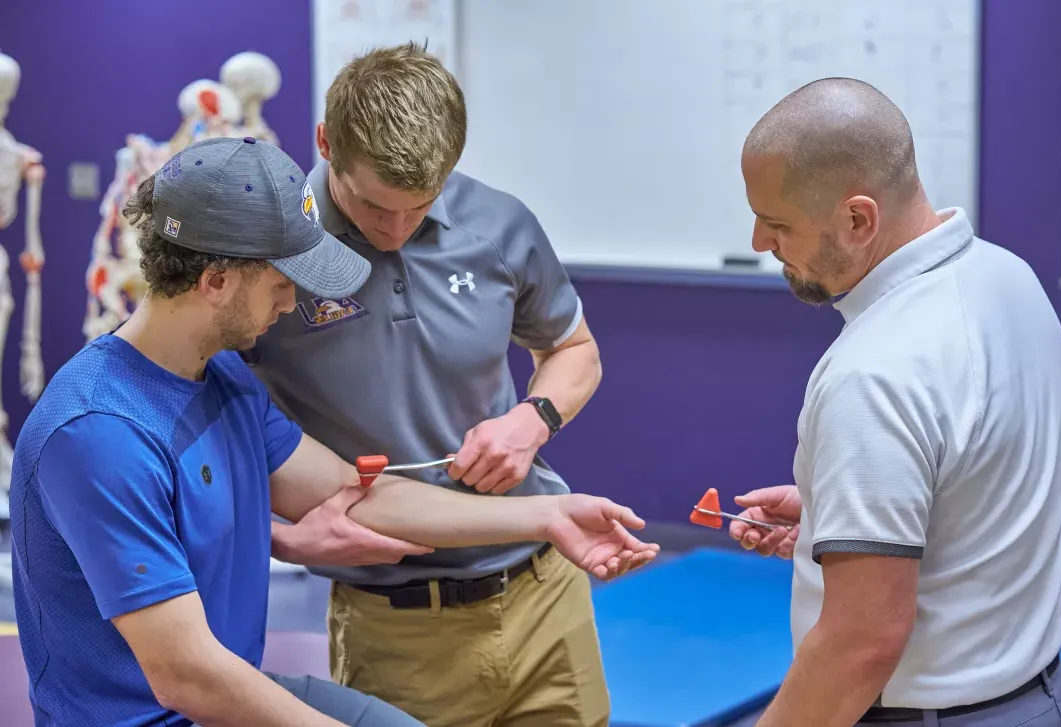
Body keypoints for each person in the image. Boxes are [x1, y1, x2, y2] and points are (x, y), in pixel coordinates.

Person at [7, 135, 659, 727]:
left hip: (220, 692)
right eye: (283, 285)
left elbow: (355, 491)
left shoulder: (224, 377)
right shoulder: (98, 431)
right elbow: (187, 676)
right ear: (216, 280)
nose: (293, 306)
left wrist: (548, 514)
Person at [240, 43, 614, 726]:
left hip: (544, 593)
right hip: (394, 620)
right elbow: (199, 421)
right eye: (373, 205)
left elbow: (575, 349)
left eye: (419, 206)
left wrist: (532, 419)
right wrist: (277, 536)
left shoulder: (500, 224)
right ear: (325, 144)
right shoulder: (269, 253)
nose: (395, 229)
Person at [727, 77, 1061, 726]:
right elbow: (981, 473)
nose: (759, 241)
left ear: (859, 218)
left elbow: (859, 644)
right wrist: (838, 503)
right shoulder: (1008, 277)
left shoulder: (873, 372)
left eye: (777, 223)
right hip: (1044, 698)